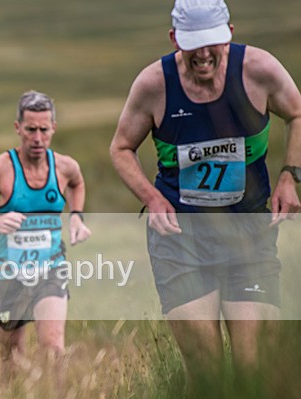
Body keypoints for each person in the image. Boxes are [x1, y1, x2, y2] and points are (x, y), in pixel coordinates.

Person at [109, 0, 301, 370]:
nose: (204, 54)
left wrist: (290, 177)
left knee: (254, 365)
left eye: (212, 41)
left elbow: (297, 111)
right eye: (193, 43)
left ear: (229, 33)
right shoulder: (154, 84)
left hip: (249, 234)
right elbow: (120, 147)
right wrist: (152, 198)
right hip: (181, 239)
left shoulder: (259, 70)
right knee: (206, 369)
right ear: (174, 38)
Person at [0, 90, 91, 384]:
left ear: (54, 127)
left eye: (43, 129)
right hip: (6, 272)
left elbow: (77, 183)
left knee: (53, 348)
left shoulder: (64, 166)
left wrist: (76, 215)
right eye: (30, 130)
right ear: (18, 128)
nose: (37, 138)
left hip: (50, 268)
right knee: (12, 358)